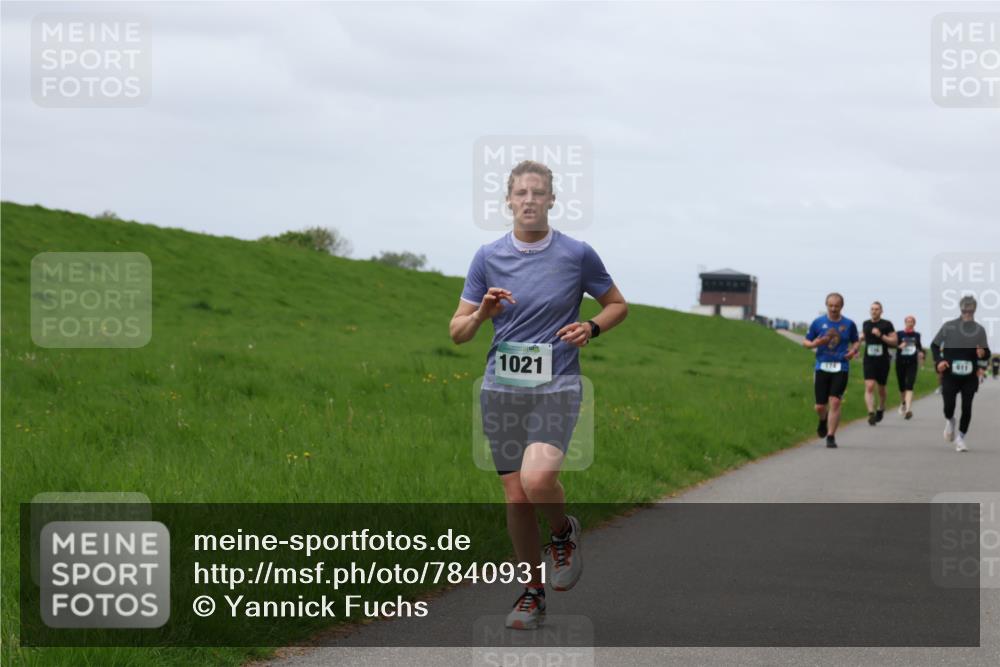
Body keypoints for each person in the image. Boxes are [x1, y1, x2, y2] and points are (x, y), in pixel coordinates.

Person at [450, 160, 627, 629]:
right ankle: (532, 592)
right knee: (516, 497)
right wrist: (482, 313)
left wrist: (591, 327)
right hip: (501, 389)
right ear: (508, 200)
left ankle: (563, 532)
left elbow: (617, 305)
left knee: (539, 479)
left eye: (538, 192)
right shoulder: (487, 257)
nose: (529, 200)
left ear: (552, 200)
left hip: (558, 384)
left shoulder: (577, 254)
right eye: (521, 193)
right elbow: (457, 332)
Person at [931, 295, 991, 453]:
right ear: (961, 310)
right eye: (965, 311)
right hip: (950, 374)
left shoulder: (979, 330)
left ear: (975, 310)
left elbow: (987, 352)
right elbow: (934, 346)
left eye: (971, 311)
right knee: (948, 407)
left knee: (967, 406)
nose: (968, 314)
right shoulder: (949, 326)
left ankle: (961, 438)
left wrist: (982, 353)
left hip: (969, 376)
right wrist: (939, 361)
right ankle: (950, 420)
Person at [803, 293, 860, 448]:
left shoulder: (849, 324)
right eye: (831, 305)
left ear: (842, 306)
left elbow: (856, 342)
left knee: (835, 401)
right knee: (820, 406)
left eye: (836, 306)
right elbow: (806, 342)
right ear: (826, 305)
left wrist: (853, 351)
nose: (833, 309)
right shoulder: (818, 323)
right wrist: (814, 344)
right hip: (822, 366)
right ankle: (823, 420)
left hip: (841, 366)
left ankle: (831, 436)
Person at [862, 302, 897, 426]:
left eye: (876, 309)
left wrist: (881, 335)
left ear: (881, 311)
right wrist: (856, 345)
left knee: (881, 388)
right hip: (869, 359)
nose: (874, 311)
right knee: (870, 386)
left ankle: (881, 407)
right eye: (872, 309)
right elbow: (863, 336)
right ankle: (871, 413)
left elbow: (894, 341)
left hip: (883, 360)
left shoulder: (887, 324)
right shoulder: (866, 324)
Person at [894, 315, 924, 419]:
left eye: (911, 321)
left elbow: (919, 347)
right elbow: (894, 345)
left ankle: (908, 410)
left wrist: (921, 353)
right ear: (905, 322)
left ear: (914, 323)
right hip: (900, 362)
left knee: (909, 385)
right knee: (902, 386)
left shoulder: (917, 335)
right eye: (908, 321)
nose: (909, 323)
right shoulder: (899, 334)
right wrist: (899, 346)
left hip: (912, 363)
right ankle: (903, 402)